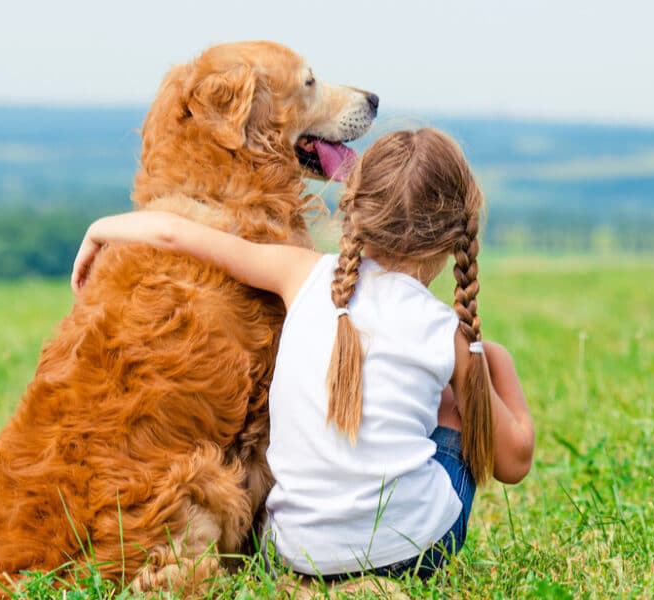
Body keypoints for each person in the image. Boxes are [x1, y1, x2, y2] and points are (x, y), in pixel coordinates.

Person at [71, 128, 535, 580]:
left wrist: (99, 230)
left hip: (291, 552)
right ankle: (388, 548)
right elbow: (513, 462)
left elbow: (174, 233)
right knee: (453, 402)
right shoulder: (445, 332)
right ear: (456, 234)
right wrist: (492, 359)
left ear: (353, 208)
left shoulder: (299, 274)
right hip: (412, 554)